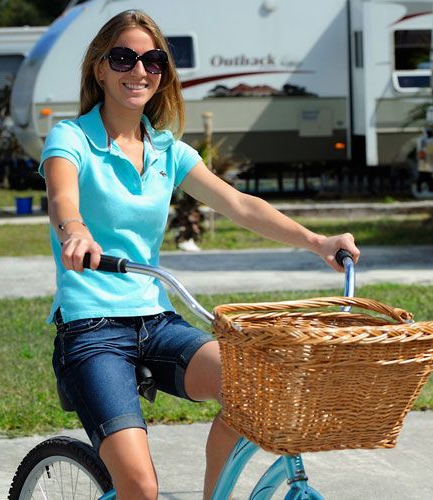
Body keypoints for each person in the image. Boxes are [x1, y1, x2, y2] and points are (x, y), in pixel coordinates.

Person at [40, 10, 360, 499]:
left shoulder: (167, 150)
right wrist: (75, 232)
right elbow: (63, 197)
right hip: (92, 329)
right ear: (100, 68)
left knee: (253, 389)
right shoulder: (72, 138)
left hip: (156, 320)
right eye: (124, 58)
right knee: (140, 487)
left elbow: (239, 205)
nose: (139, 70)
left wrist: (317, 242)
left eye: (153, 60)